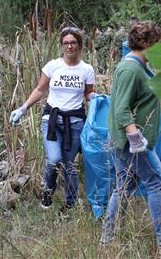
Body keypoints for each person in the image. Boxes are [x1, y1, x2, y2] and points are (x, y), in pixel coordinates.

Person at [99, 21, 161, 253]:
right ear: (146, 43)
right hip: (132, 143)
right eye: (157, 44)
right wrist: (135, 136)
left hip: (128, 141)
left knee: (124, 187)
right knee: (155, 185)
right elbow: (121, 108)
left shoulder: (139, 66)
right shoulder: (130, 69)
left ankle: (107, 238)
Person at [9, 27, 96, 214]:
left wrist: (98, 100)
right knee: (54, 159)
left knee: (69, 165)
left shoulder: (87, 69)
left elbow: (88, 93)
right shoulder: (52, 66)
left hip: (75, 122)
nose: (70, 46)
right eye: (66, 43)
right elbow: (40, 90)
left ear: (79, 45)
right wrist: (23, 108)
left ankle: (69, 205)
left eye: (73, 42)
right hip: (52, 120)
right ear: (61, 46)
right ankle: (48, 192)